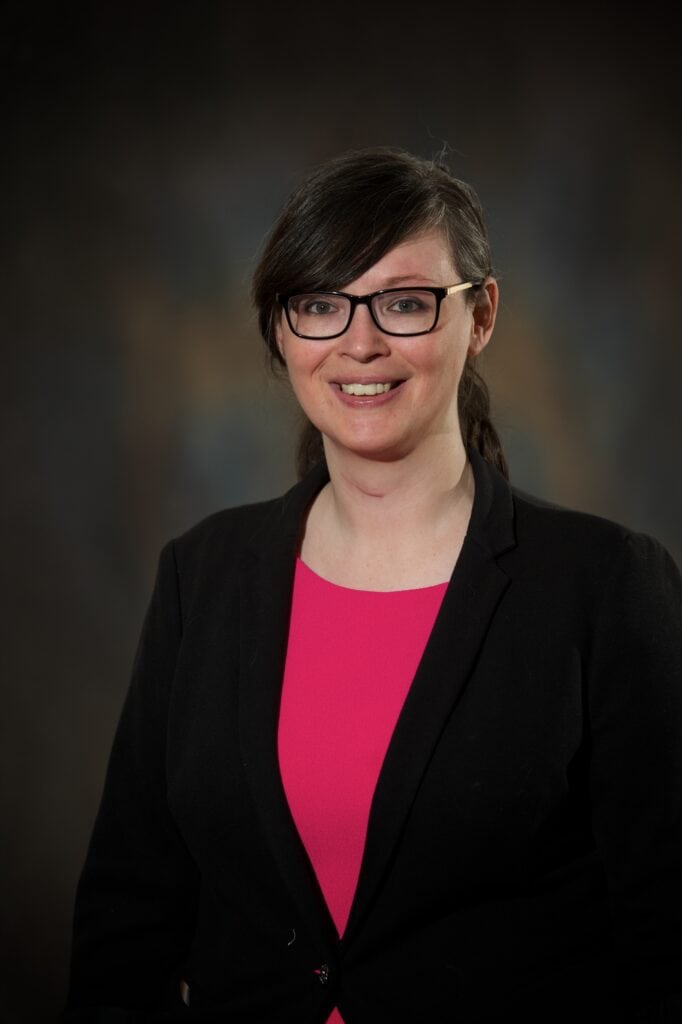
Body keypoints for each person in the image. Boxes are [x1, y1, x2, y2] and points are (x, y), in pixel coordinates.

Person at [65, 148, 682, 1023]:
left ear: (482, 317)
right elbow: (126, 926)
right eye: (319, 303)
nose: (360, 342)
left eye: (403, 302)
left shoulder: (608, 585)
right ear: (281, 329)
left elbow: (666, 944)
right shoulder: (200, 577)